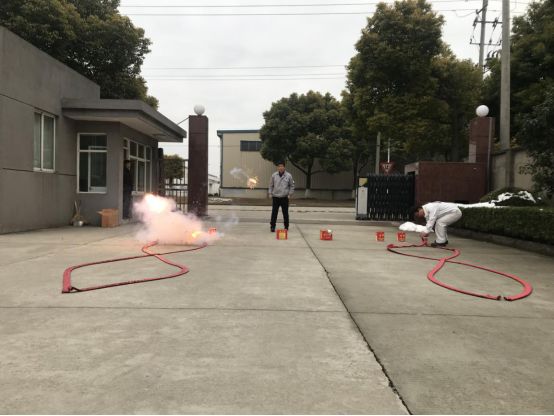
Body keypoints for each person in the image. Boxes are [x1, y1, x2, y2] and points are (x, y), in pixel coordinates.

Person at [268, 161, 295, 232]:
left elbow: (292, 186)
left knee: (285, 213)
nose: (280, 167)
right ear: (277, 167)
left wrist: (290, 194)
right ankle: (272, 226)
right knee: (274, 213)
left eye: (282, 166)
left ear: (284, 167)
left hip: (284, 197)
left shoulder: (289, 175)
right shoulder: (274, 175)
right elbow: (271, 185)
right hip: (275, 197)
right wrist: (270, 193)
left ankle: (286, 226)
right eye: (279, 166)